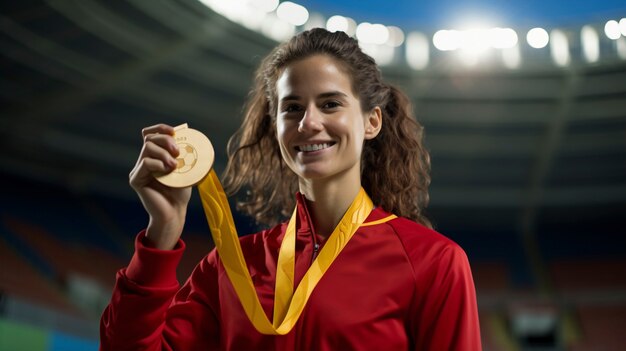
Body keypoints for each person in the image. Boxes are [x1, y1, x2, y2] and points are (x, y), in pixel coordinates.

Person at [100, 28, 481, 350]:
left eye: (330, 104)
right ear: (277, 123)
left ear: (372, 122)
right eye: (292, 108)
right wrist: (161, 232)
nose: (308, 122)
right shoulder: (233, 266)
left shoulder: (433, 263)